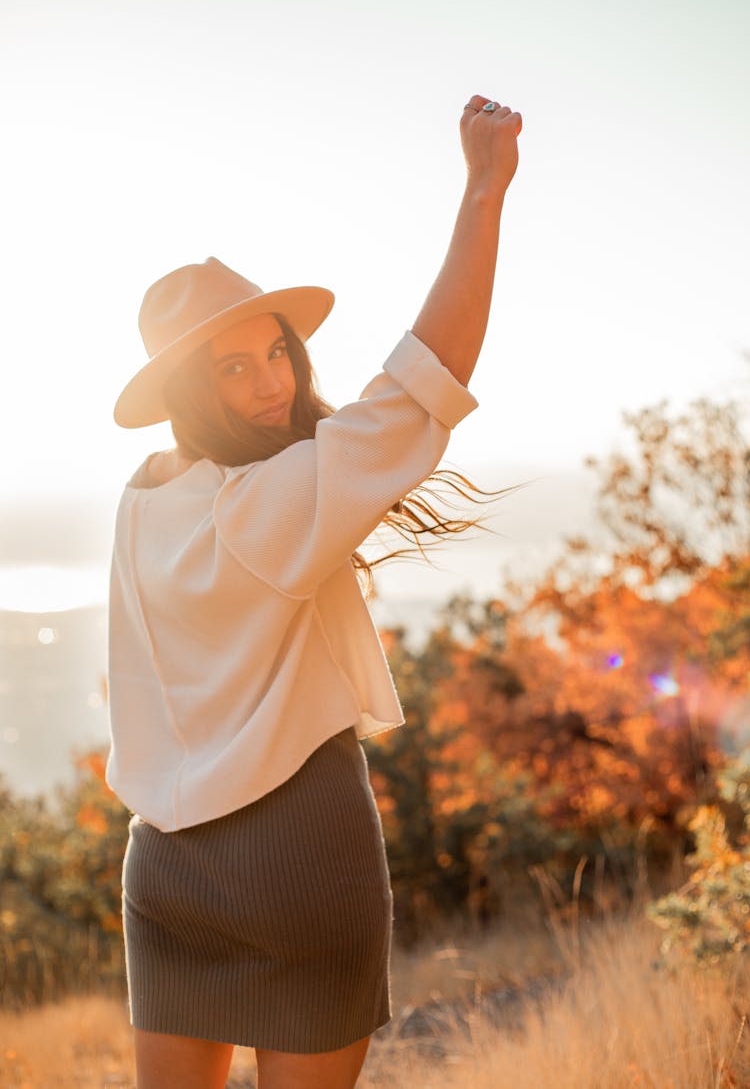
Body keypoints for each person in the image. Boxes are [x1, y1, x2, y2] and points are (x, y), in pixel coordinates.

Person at [107, 92, 522, 1089]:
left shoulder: (144, 497)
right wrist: (483, 189)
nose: (270, 383)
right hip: (298, 851)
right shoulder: (268, 505)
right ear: (185, 394)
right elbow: (427, 377)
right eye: (232, 367)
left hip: (161, 870)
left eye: (276, 351)